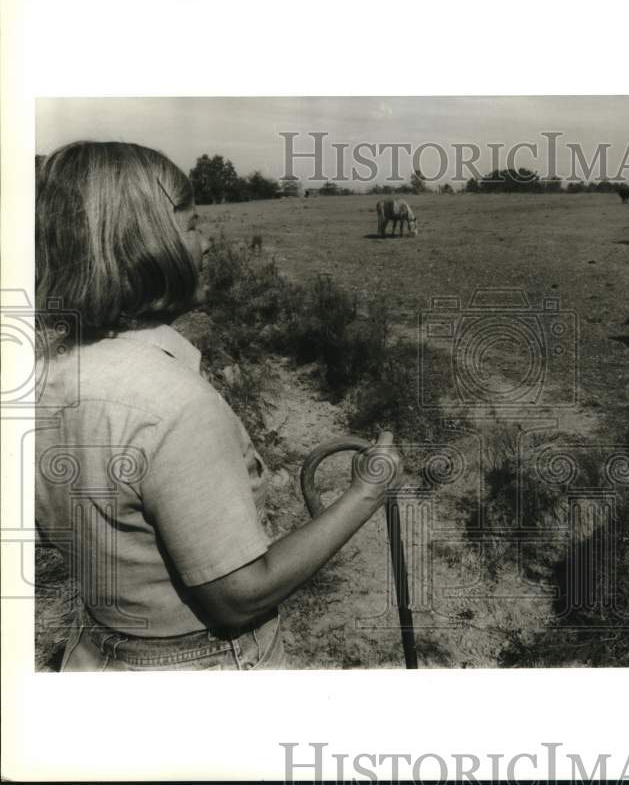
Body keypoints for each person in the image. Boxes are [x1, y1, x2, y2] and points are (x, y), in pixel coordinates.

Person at [34, 141, 402, 671]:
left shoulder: (44, 374)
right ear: (147, 242)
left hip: (96, 653)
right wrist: (368, 491)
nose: (206, 244)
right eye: (191, 225)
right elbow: (239, 598)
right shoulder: (176, 404)